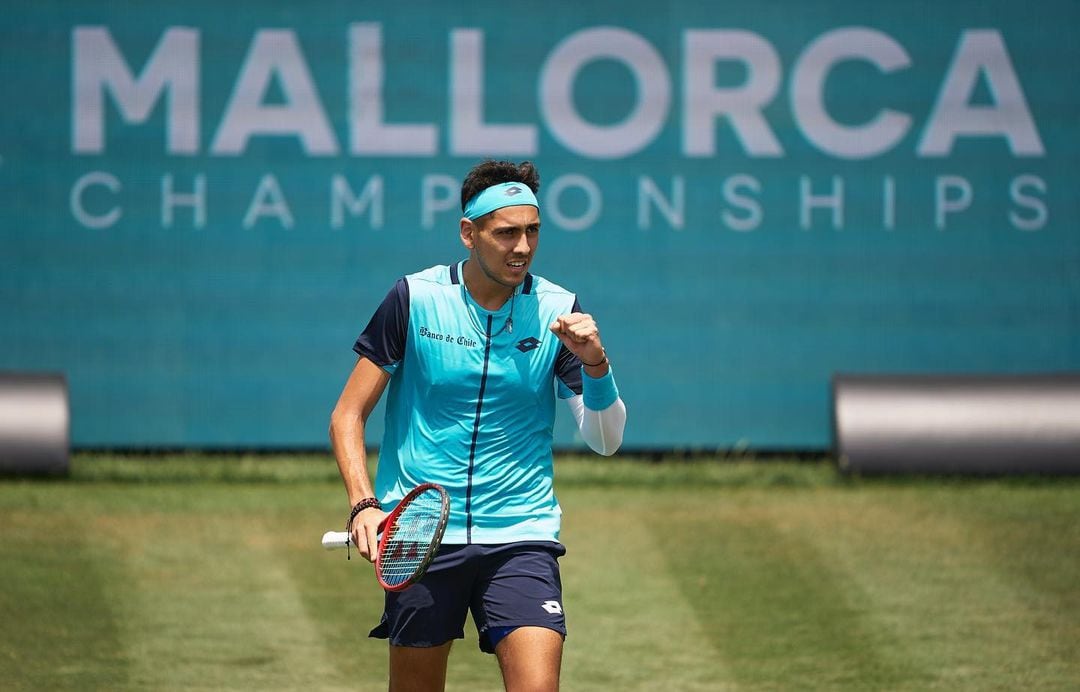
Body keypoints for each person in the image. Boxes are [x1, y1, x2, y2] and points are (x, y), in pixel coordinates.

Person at [329, 159, 627, 692]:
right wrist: (363, 504)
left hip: (520, 534)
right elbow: (347, 415)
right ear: (469, 233)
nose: (523, 247)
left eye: (533, 231)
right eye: (506, 232)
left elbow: (605, 441)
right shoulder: (414, 299)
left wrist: (596, 365)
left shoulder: (558, 310)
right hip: (420, 533)